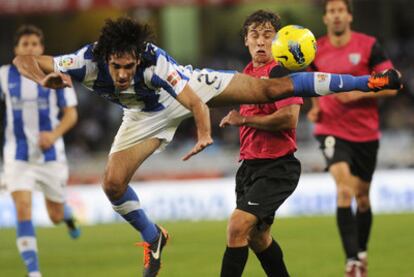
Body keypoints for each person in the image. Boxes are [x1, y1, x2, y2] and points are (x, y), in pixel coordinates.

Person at [12, 17, 401, 277]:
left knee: (271, 87)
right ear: (105, 60)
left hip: (189, 90)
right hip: (142, 116)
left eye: (131, 66)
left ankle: (368, 81)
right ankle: (154, 237)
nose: (125, 73)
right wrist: (43, 78)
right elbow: (24, 59)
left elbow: (194, 102)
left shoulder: (155, 63)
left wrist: (204, 134)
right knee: (112, 185)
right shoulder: (83, 61)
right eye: (118, 67)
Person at [306, 1, 398, 276]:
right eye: (330, 11)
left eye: (340, 10)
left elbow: (392, 84)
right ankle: (352, 263)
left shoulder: (368, 46)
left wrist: (358, 92)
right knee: (344, 190)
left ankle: (361, 252)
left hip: (365, 133)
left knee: (363, 198)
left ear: (349, 16)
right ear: (325, 18)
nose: (335, 15)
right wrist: (315, 107)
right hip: (331, 130)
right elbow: (312, 82)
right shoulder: (315, 50)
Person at [219, 10, 302, 277]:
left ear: (277, 41)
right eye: (254, 35)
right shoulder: (245, 75)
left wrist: (244, 120)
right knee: (258, 238)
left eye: (268, 35)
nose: (260, 41)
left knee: (237, 226)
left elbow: (290, 119)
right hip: (249, 167)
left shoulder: (279, 70)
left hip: (277, 167)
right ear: (246, 40)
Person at [0, 25, 80, 277]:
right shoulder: (4, 75)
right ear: (16, 50)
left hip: (51, 155)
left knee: (54, 215)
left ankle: (67, 214)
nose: (30, 48)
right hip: (17, 154)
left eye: (34, 44)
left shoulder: (58, 75)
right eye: (25, 45)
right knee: (23, 208)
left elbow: (71, 114)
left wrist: (53, 135)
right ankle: (34, 272)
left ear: (42, 49)